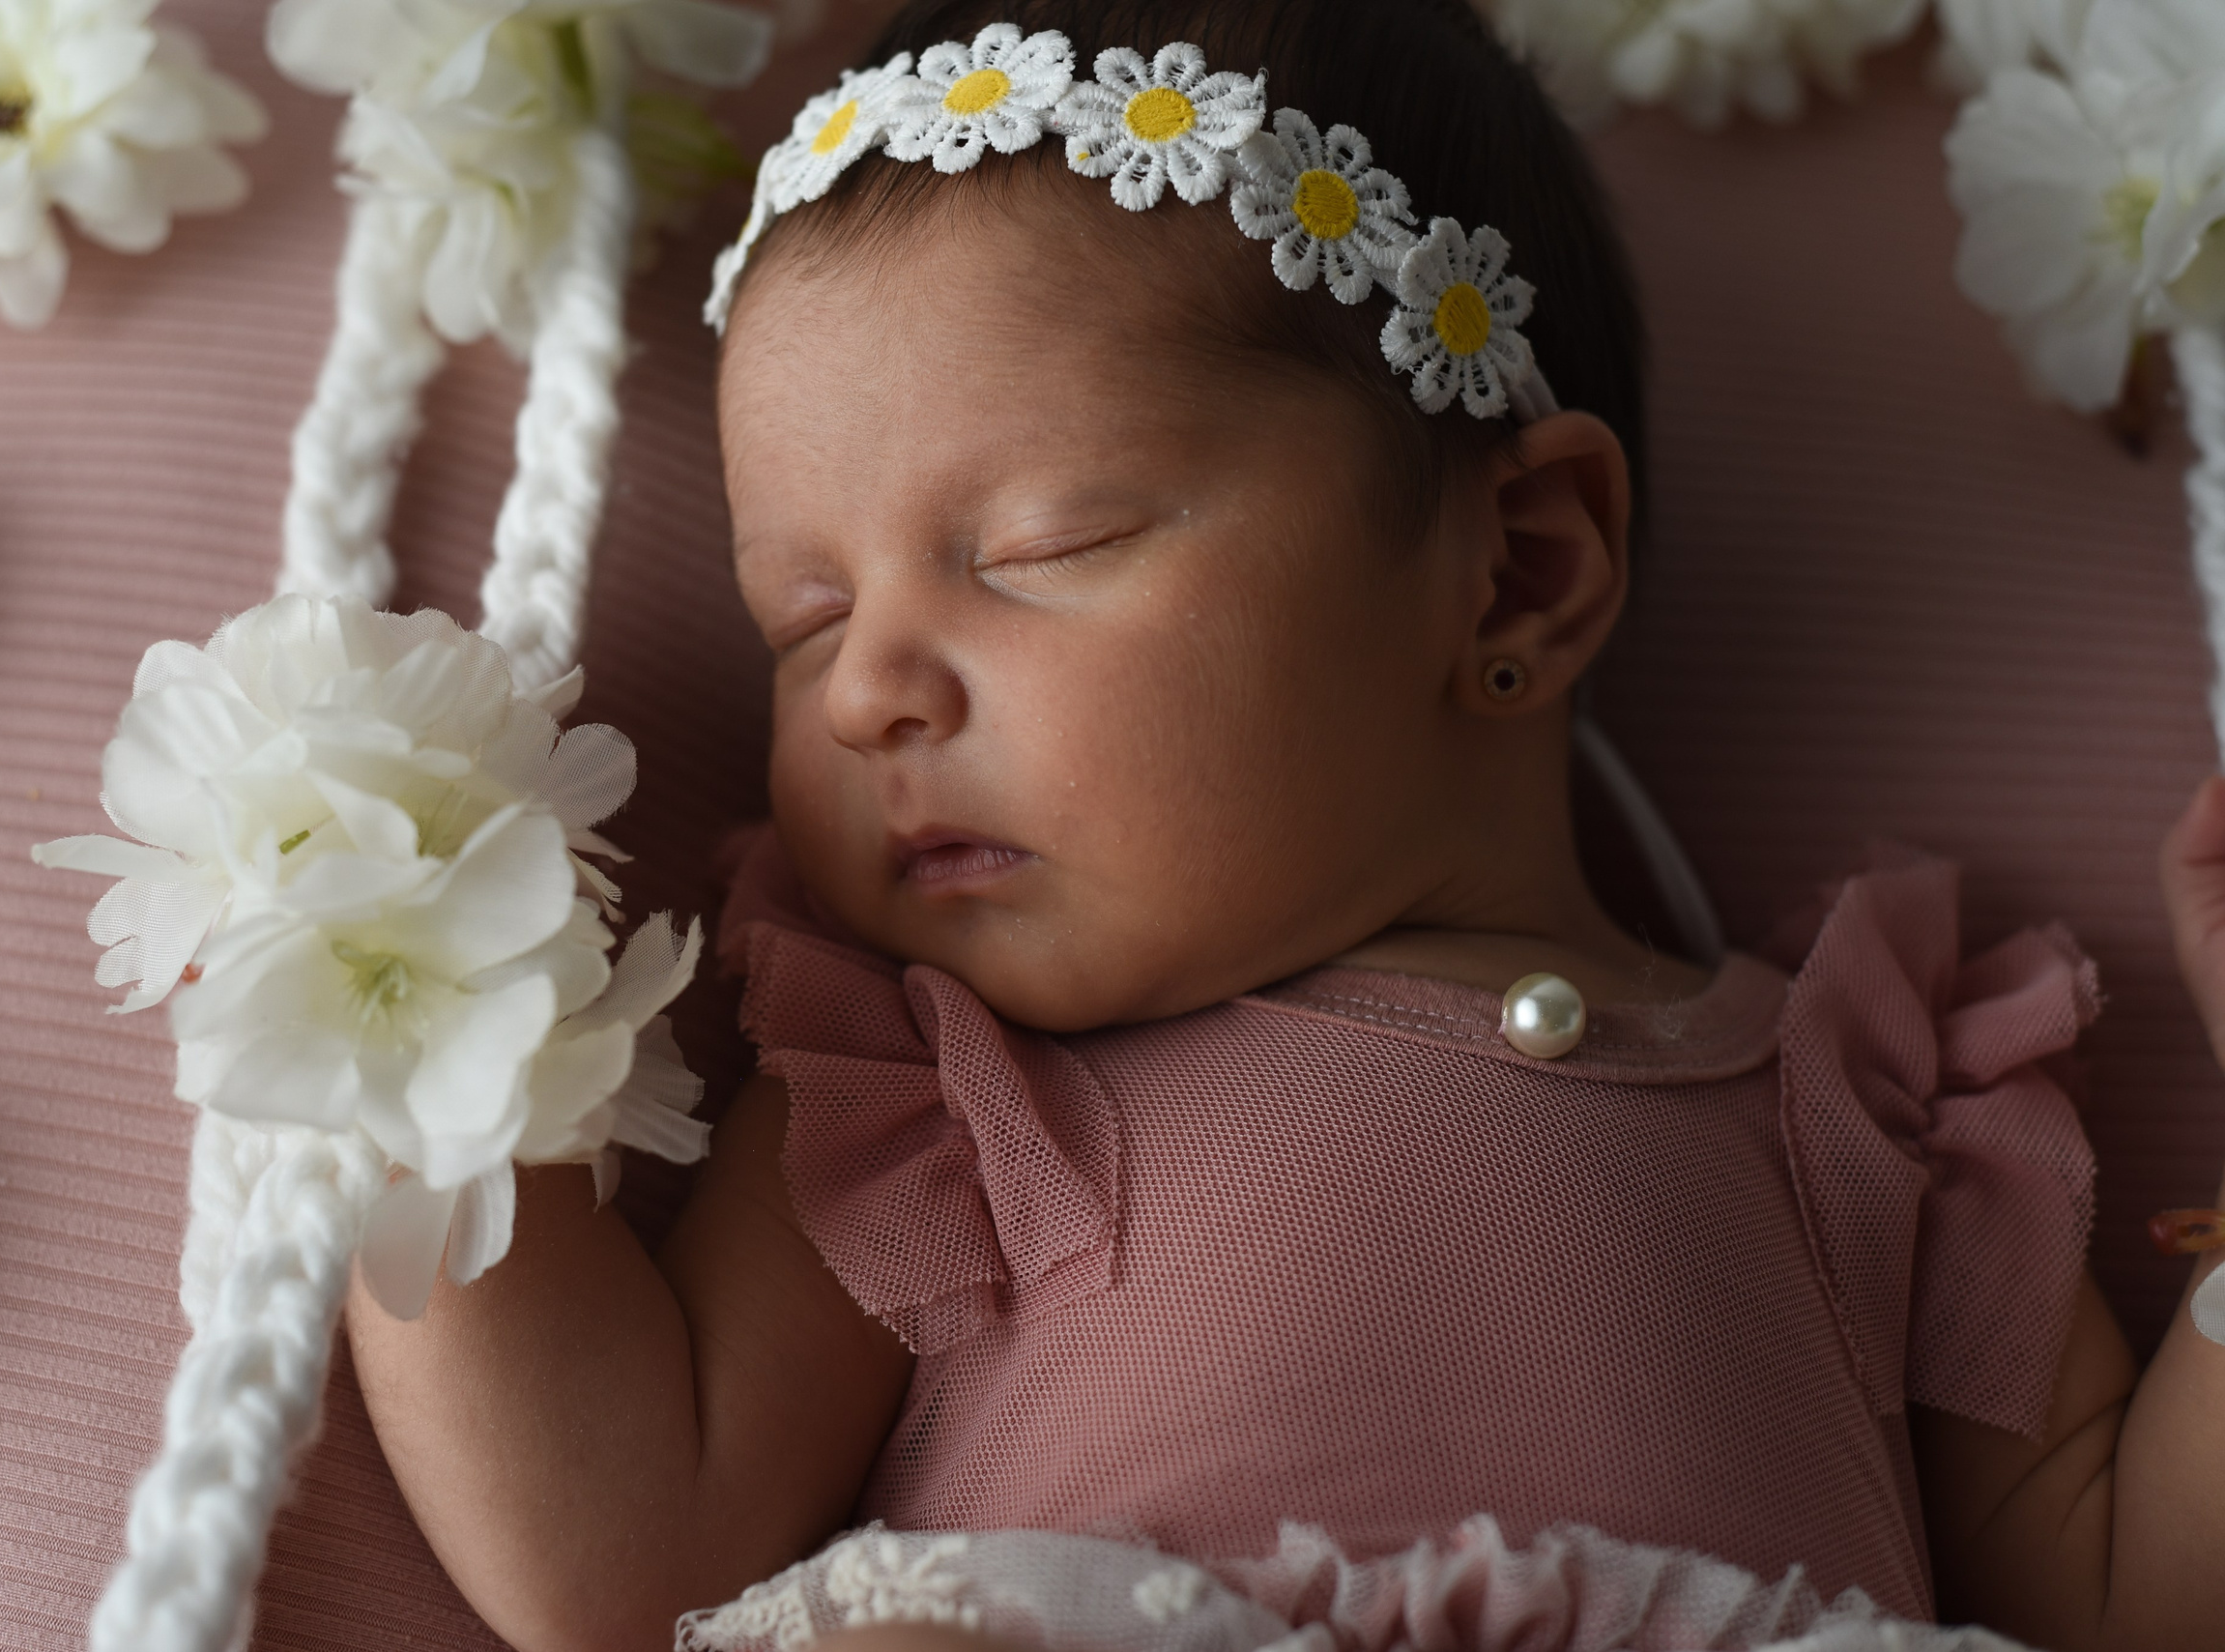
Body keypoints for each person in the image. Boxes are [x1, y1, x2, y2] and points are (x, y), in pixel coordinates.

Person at [345, 3, 2225, 1648]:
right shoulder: (930, 1090)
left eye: (1039, 549)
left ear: (1517, 572)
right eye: (801, 623)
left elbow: (2135, 1599)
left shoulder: (1868, 1091)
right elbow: (615, 1553)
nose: (863, 696)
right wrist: (400, 1017)